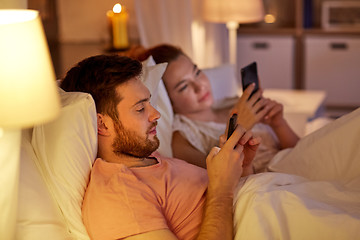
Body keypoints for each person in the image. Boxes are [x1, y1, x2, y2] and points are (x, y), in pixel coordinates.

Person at [60, 54, 261, 240]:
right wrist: (221, 190)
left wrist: (242, 168)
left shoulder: (152, 159)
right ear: (102, 124)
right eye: (140, 108)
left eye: (149, 103)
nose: (156, 114)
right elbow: (223, 200)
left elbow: (232, 206)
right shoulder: (118, 195)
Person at [134, 44, 299, 172]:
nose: (200, 86)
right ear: (169, 100)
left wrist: (279, 124)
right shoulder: (183, 137)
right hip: (271, 185)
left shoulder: (234, 103)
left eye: (197, 72)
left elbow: (298, 150)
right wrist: (238, 127)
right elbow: (216, 184)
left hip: (294, 166)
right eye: (184, 87)